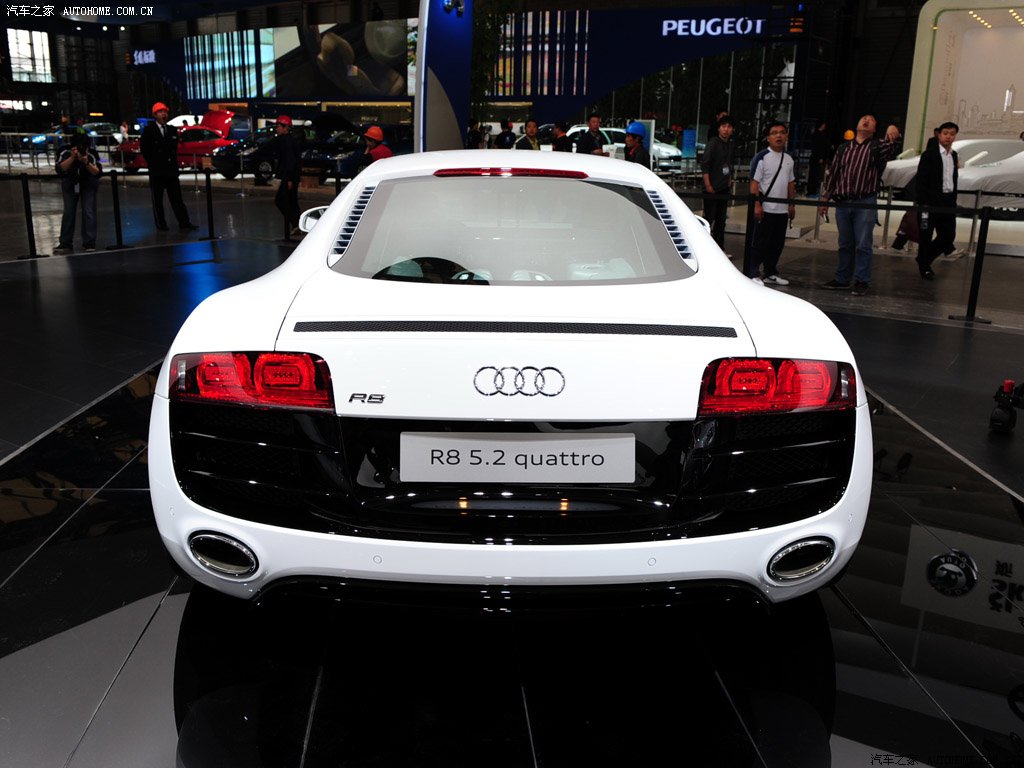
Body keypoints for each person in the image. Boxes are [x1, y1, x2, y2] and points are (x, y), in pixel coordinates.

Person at [818, 113, 901, 296]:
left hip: (865, 201)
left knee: (863, 244)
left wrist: (892, 129)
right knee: (845, 243)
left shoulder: (877, 146)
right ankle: (842, 278)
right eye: (863, 118)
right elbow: (834, 174)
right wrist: (825, 199)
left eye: (871, 120)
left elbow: (892, 146)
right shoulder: (844, 148)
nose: (866, 120)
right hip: (843, 201)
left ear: (874, 128)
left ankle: (862, 280)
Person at [747, 121, 797, 285]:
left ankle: (770, 272)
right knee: (760, 242)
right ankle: (753, 272)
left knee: (777, 243)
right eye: (774, 133)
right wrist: (757, 205)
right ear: (768, 138)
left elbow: (790, 183)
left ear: (786, 136)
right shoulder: (762, 157)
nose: (778, 136)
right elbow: (754, 183)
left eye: (782, 132)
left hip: (782, 210)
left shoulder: (789, 158)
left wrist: (791, 204)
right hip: (766, 208)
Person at [140, 101, 198, 232]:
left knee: (177, 198)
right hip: (157, 170)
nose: (163, 114)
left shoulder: (171, 130)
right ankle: (161, 224)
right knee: (157, 200)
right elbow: (145, 149)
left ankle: (184, 222)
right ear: (155, 114)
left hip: (171, 170)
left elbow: (173, 147)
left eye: (165, 112)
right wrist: (153, 162)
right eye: (160, 112)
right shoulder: (149, 130)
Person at [914, 121, 959, 279]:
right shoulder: (929, 154)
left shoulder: (953, 155)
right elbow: (921, 179)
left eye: (952, 134)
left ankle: (924, 259)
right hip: (930, 202)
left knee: (948, 236)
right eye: (945, 133)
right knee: (925, 235)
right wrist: (923, 202)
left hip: (948, 202)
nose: (948, 137)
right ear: (939, 135)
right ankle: (924, 267)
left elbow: (952, 178)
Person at [53, 132, 102, 255]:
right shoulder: (64, 151)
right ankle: (65, 243)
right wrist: (72, 158)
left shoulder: (91, 153)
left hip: (88, 183)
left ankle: (89, 242)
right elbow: (59, 169)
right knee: (69, 212)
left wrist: (86, 161)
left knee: (89, 211)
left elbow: (97, 172)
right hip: (70, 182)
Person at [700, 114, 736, 248]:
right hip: (712, 188)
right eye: (723, 126)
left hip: (723, 188)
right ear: (719, 128)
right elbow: (705, 164)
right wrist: (708, 185)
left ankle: (719, 248)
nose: (726, 129)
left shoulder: (730, 145)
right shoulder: (713, 143)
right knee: (709, 219)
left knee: (721, 220)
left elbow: (728, 164)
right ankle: (704, 247)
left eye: (729, 127)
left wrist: (729, 179)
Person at [273, 115, 302, 237]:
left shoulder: (287, 141)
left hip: (289, 176)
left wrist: (289, 179)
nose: (277, 129)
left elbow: (290, 161)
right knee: (292, 201)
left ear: (285, 127)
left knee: (281, 200)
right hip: (292, 175)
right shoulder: (290, 140)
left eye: (278, 126)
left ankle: (295, 223)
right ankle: (298, 225)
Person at [805, 121, 832, 197]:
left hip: (815, 157)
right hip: (816, 158)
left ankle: (812, 191)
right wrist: (820, 157)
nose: (824, 126)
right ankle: (811, 192)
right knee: (814, 175)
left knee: (815, 175)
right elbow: (818, 147)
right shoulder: (818, 135)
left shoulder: (818, 134)